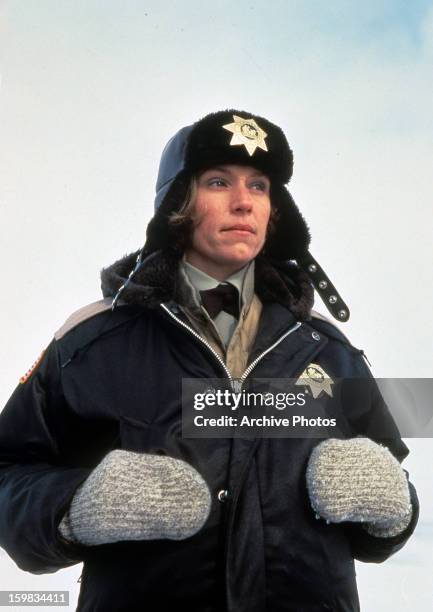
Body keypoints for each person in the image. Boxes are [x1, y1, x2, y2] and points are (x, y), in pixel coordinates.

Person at [0, 109, 419, 612]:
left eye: (259, 186)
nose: (243, 202)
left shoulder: (330, 349)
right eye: (219, 182)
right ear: (179, 201)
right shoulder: (92, 343)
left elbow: (393, 490)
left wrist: (393, 509)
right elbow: (9, 470)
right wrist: (75, 506)